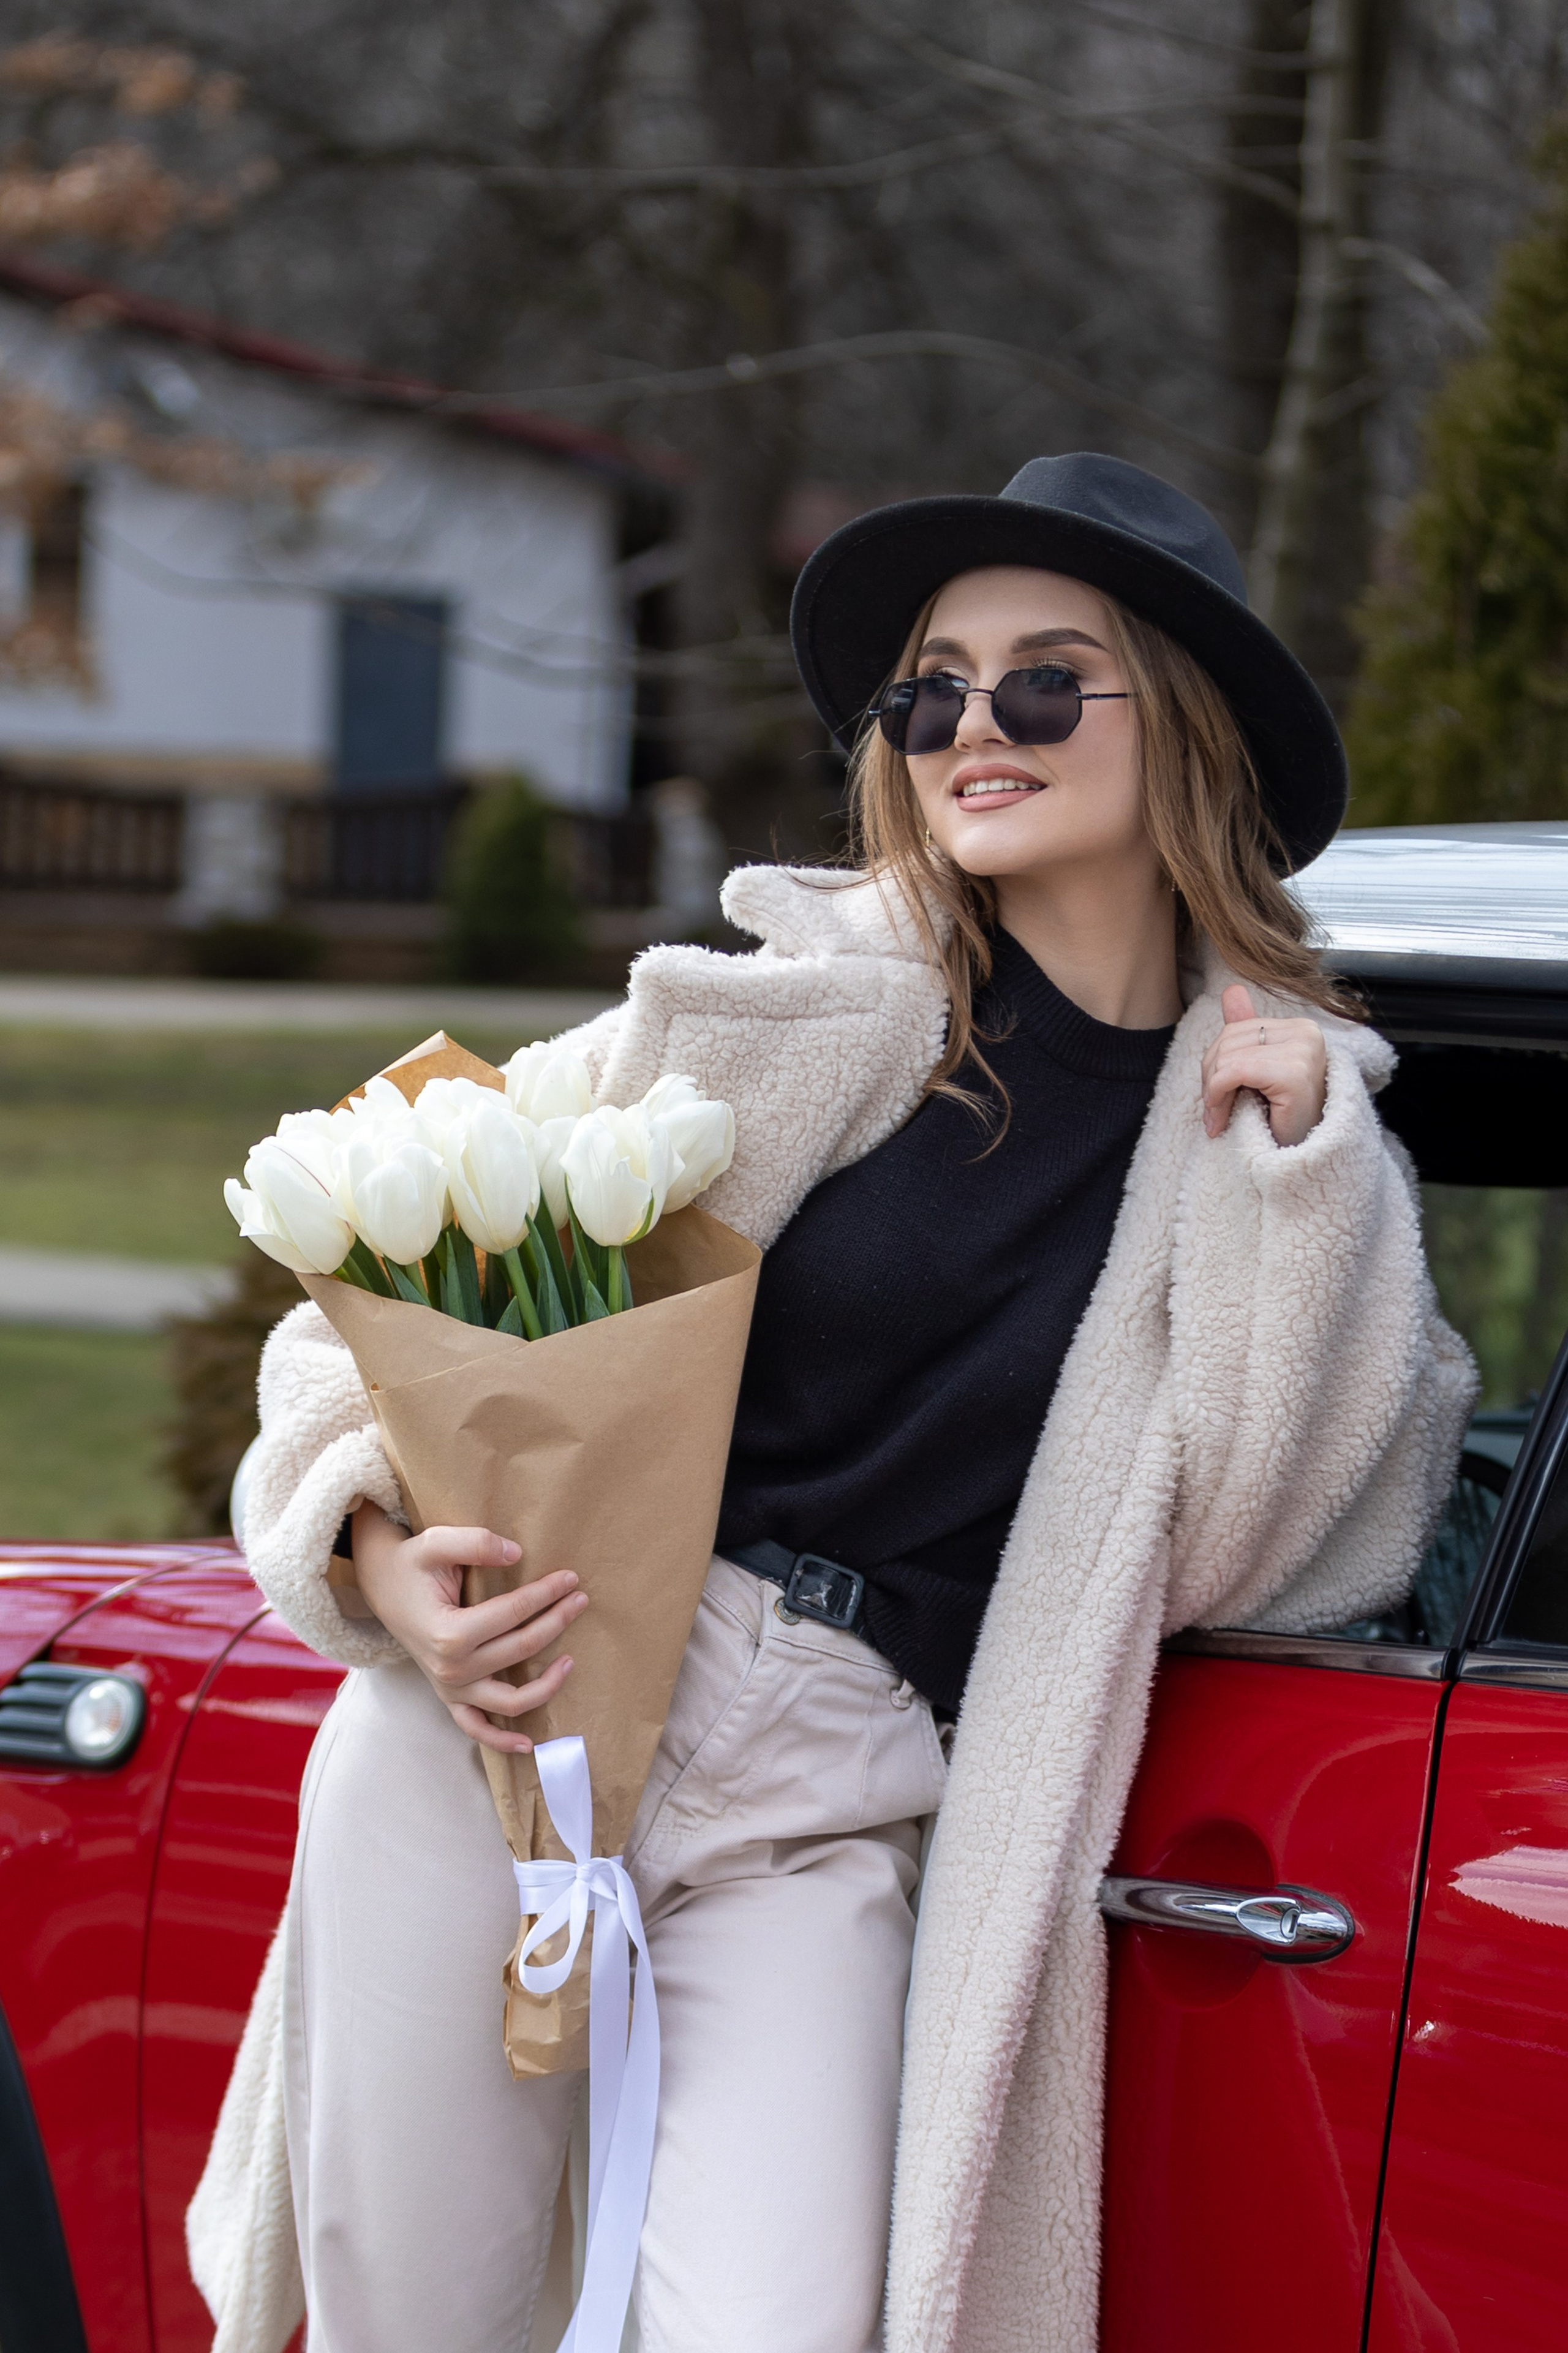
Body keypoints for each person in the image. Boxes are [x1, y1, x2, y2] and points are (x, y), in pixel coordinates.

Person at [190, 454, 1474, 2353]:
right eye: (931, 691)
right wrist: (378, 1555)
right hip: (508, 1723)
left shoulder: (1271, 1132)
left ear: (1186, 726)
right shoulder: (787, 1016)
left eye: (1046, 681)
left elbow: (1306, 1539)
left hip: (827, 1798)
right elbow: (364, 1296)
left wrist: (1298, 1192)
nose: (976, 724)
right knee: (414, 2319)